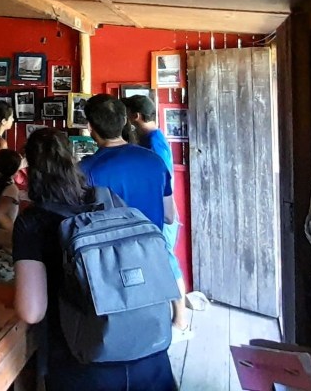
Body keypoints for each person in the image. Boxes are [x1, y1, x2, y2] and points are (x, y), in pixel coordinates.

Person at [13, 128, 176, 390]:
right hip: (150, 353)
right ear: (71, 160)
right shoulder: (107, 198)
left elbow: (32, 311)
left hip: (83, 363)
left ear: (30, 169)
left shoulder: (32, 221)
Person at [123, 95, 191, 339]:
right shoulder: (151, 139)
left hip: (162, 213)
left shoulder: (154, 142)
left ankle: (181, 321)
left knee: (168, 265)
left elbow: (161, 181)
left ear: (136, 116)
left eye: (127, 115)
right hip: (158, 210)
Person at [80, 95, 176, 230]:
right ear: (125, 121)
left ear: (89, 127)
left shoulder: (84, 170)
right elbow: (169, 216)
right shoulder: (156, 161)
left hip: (111, 243)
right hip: (152, 241)